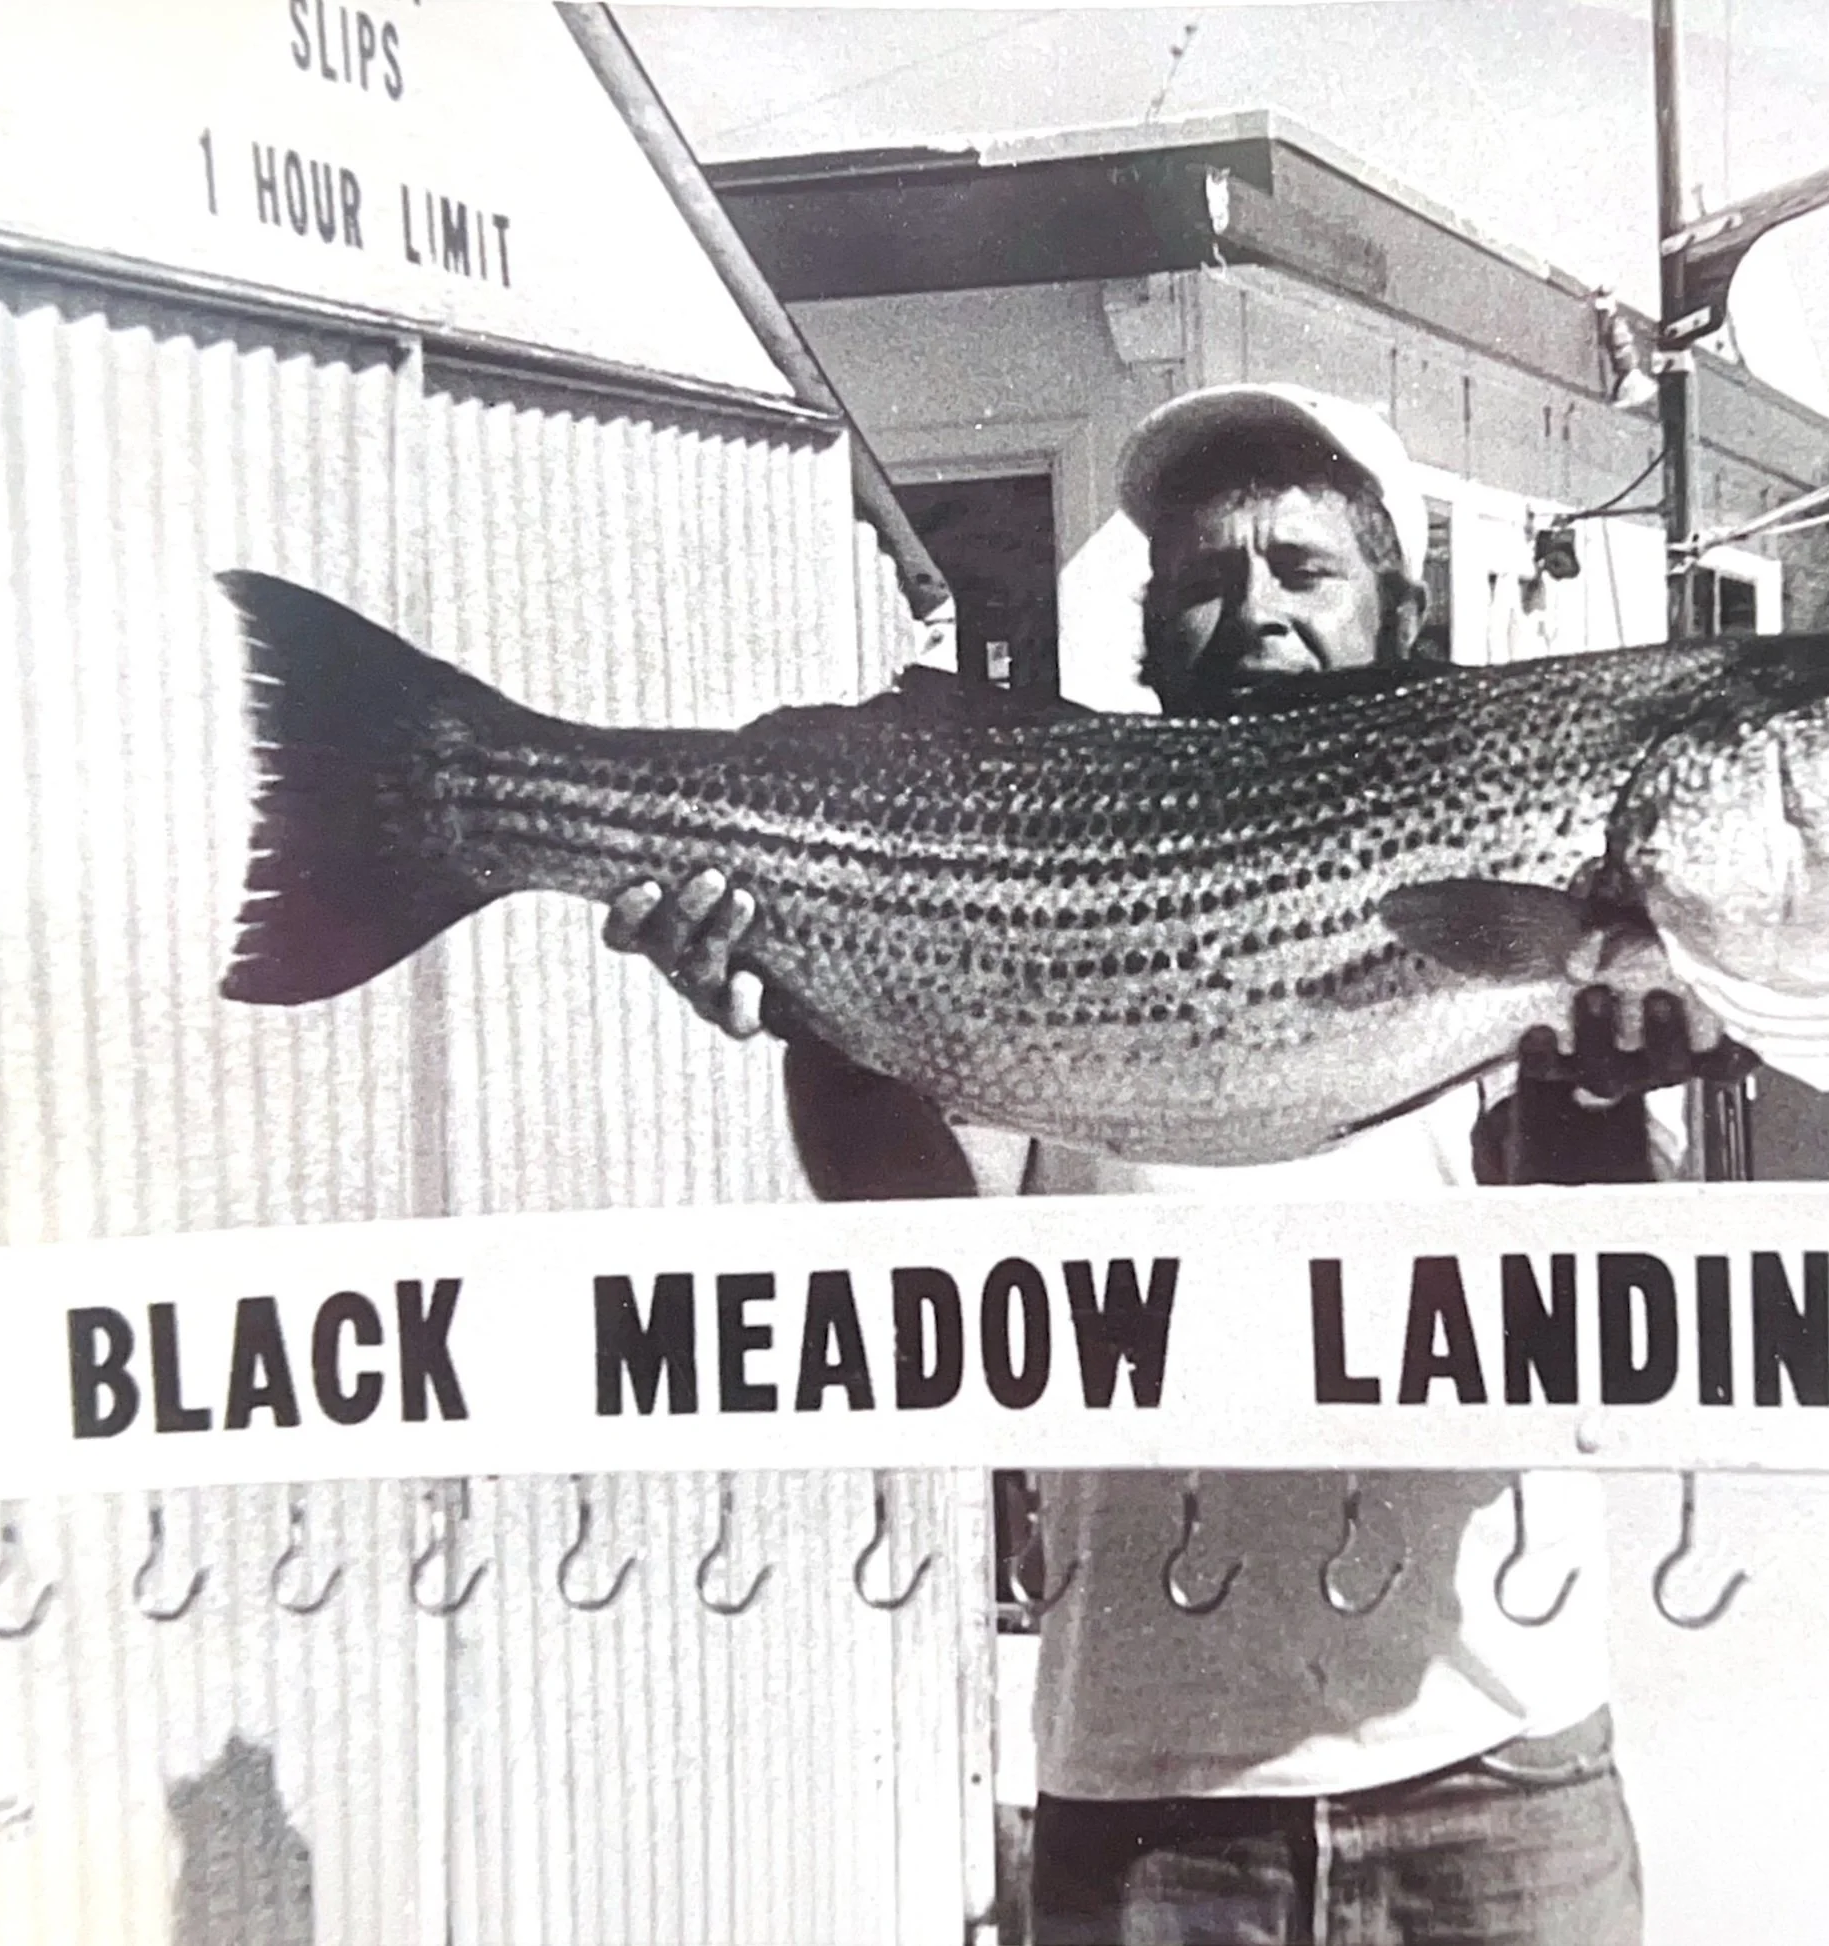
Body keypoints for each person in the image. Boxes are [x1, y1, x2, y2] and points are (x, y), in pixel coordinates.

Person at [608, 383, 1735, 1943]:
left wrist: (1612, 1088)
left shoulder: (1519, 846)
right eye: (1203, 578)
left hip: (1493, 1756)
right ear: (1146, 623)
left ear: (1397, 608)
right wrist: (828, 1003)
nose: (1252, 611)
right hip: (1146, 1781)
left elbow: (1617, 1313)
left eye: (1302, 571)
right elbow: (912, 1231)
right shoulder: (1051, 847)